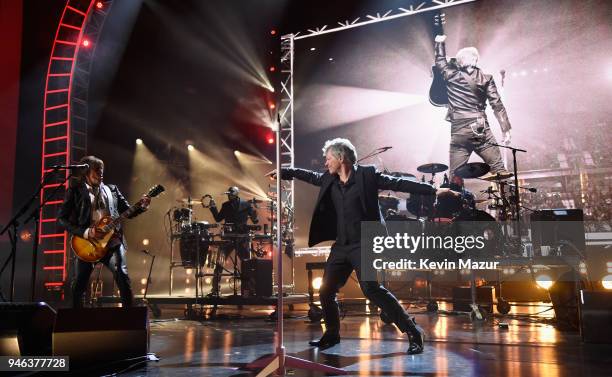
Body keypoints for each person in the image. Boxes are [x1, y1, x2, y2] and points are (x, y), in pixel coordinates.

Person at [279, 138, 449, 354]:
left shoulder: (367, 175)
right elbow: (307, 175)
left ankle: (413, 331)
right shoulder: (329, 180)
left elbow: (398, 184)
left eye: (329, 158)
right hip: (341, 246)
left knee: (371, 289)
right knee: (326, 290)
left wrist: (433, 191)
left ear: (341, 158)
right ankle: (332, 334)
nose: (326, 163)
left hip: (364, 243)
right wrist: (285, 172)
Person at [58, 156, 150, 308]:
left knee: (122, 272)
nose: (100, 174)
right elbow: (62, 219)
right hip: (86, 243)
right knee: (79, 283)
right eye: (96, 171)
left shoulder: (111, 190)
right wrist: (87, 232)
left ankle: (130, 315)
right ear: (86, 172)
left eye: (102, 171)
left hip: (112, 240)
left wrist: (142, 206)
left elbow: (128, 212)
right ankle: (76, 321)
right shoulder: (75, 191)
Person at [434, 34, 513, 180]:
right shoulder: (486, 78)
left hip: (458, 131)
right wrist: (505, 129)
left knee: (454, 177)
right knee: (499, 171)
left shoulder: (451, 75)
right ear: (475, 60)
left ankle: (452, 200)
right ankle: (508, 200)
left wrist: (440, 43)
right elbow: (497, 104)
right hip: (479, 128)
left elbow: (440, 61)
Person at [207, 186, 259, 296]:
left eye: (230, 194)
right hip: (228, 237)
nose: (228, 196)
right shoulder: (225, 205)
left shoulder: (246, 204)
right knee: (219, 263)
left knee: (247, 264)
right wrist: (213, 207)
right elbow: (218, 218)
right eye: (228, 194)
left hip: (241, 237)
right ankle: (215, 289)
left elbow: (255, 221)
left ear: (235, 194)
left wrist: (254, 215)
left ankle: (251, 289)